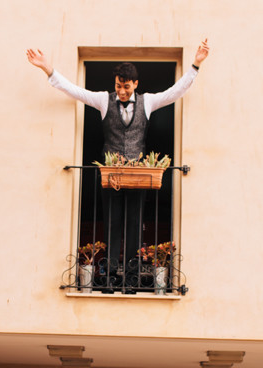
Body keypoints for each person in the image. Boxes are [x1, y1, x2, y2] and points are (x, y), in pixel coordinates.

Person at [27, 42, 210, 281]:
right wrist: (48, 70)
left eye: (125, 87)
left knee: (135, 222)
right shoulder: (104, 100)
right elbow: (75, 91)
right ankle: (111, 272)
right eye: (117, 86)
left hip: (137, 177)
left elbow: (174, 92)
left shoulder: (148, 102)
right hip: (110, 176)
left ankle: (132, 272)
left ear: (135, 84)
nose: (121, 91)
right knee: (112, 221)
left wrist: (195, 65)